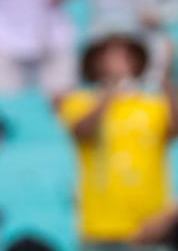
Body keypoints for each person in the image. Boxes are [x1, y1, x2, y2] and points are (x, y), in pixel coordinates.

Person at [58, 31, 178, 251]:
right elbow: (81, 130)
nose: (117, 61)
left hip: (148, 228)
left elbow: (175, 128)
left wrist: (165, 76)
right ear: (94, 62)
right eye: (108, 55)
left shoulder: (153, 104)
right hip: (98, 230)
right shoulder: (80, 101)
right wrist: (112, 90)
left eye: (125, 55)